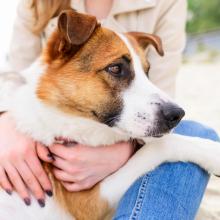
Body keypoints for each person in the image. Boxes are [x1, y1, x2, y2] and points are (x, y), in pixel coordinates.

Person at [0, 0, 219, 219]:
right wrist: (5, 120)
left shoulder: (168, 3)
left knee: (194, 132)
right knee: (188, 139)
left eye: (142, 72)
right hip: (35, 124)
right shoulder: (39, 6)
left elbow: (160, 90)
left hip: (119, 137)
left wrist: (125, 153)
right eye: (117, 70)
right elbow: (15, 76)